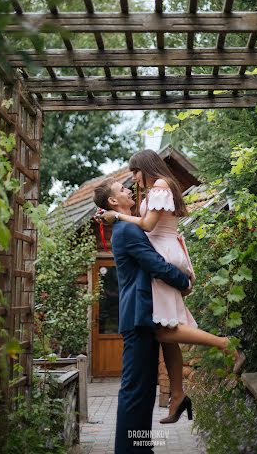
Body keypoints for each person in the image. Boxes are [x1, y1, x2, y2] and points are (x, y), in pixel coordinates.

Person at [96, 149, 246, 426]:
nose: (134, 180)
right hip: (167, 251)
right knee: (169, 328)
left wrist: (116, 217)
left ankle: (225, 345)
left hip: (164, 255)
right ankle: (177, 394)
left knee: (164, 330)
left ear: (146, 167)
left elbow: (148, 224)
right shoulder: (156, 189)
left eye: (135, 173)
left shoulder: (160, 187)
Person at [93, 177, 192, 454]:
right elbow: (154, 263)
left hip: (143, 317)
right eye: (122, 189)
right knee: (136, 390)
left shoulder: (125, 224)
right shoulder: (126, 229)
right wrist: (183, 281)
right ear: (113, 201)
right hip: (137, 317)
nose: (129, 189)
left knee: (145, 389)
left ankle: (141, 446)